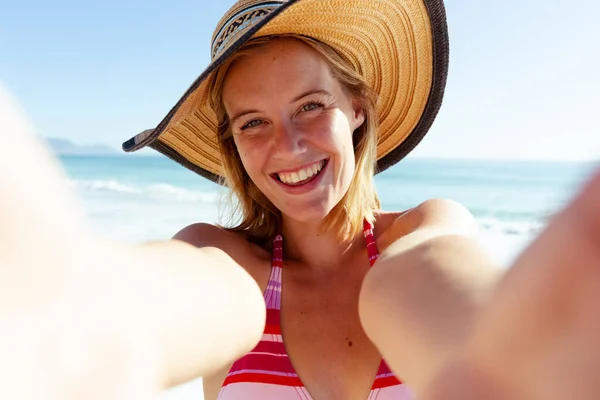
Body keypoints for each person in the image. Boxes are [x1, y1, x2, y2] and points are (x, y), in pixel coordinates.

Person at [1, 1, 599, 400]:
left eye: (311, 106)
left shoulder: (422, 233)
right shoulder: (228, 264)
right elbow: (139, 314)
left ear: (357, 109)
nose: (287, 145)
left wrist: (513, 363)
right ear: (234, 144)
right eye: (253, 122)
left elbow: (433, 289)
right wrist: (70, 318)